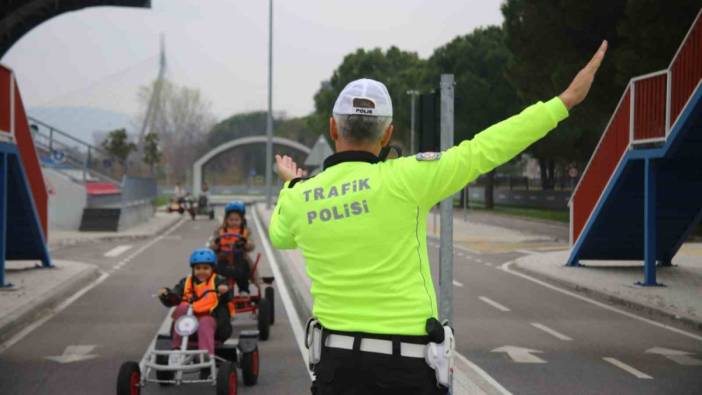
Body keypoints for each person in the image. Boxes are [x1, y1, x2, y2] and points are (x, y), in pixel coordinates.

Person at [270, 42, 608, 394]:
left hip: (336, 368)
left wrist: (292, 183)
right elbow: (484, 149)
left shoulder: (299, 196)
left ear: (332, 128)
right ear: (387, 133)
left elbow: (280, 237)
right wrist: (563, 102)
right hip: (405, 369)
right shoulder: (408, 178)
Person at [158, 248, 233, 357]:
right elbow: (175, 294)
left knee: (205, 321)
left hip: (215, 324)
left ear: (212, 268)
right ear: (193, 269)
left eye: (205, 268)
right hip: (188, 326)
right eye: (198, 268)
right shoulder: (186, 282)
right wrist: (166, 294)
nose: (201, 271)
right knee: (182, 307)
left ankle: (205, 356)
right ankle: (176, 349)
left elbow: (228, 295)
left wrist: (224, 290)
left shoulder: (219, 280)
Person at [210, 201, 258, 295]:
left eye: (236, 220)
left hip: (240, 256)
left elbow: (251, 244)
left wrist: (245, 243)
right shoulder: (220, 230)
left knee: (245, 268)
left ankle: (244, 289)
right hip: (222, 256)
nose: (234, 222)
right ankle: (215, 288)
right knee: (213, 268)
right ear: (226, 220)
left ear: (242, 220)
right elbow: (212, 242)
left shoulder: (246, 231)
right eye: (231, 220)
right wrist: (216, 244)